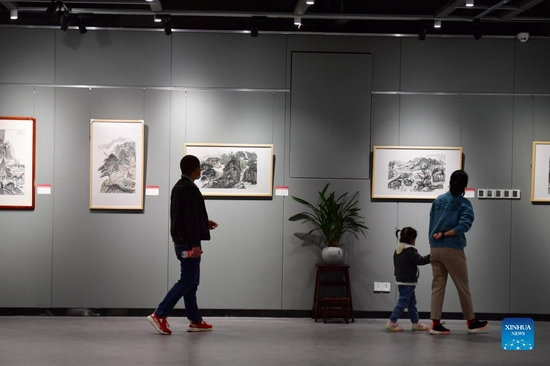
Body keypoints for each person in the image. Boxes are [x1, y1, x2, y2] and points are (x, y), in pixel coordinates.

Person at [147, 155, 218, 334]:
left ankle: (195, 320)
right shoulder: (189, 189)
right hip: (188, 243)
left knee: (192, 282)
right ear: (195, 169)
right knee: (187, 280)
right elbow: (190, 220)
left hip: (181, 241)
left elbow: (184, 217)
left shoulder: (178, 187)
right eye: (199, 168)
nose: (200, 171)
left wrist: (204, 222)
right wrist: (195, 245)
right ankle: (159, 314)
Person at [428, 169, 488, 335]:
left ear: (449, 181)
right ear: (465, 186)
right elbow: (464, 226)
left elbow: (432, 223)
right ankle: (471, 321)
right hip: (452, 248)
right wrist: (446, 234)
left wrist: (436, 238)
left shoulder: (438, 201)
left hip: (434, 249)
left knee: (437, 286)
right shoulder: (464, 203)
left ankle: (435, 324)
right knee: (462, 286)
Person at [385, 227, 431, 332]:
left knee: (411, 302)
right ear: (412, 239)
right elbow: (420, 260)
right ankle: (392, 321)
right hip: (408, 281)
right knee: (403, 301)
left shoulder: (398, 250)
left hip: (400, 280)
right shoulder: (410, 250)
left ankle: (415, 323)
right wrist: (431, 257)